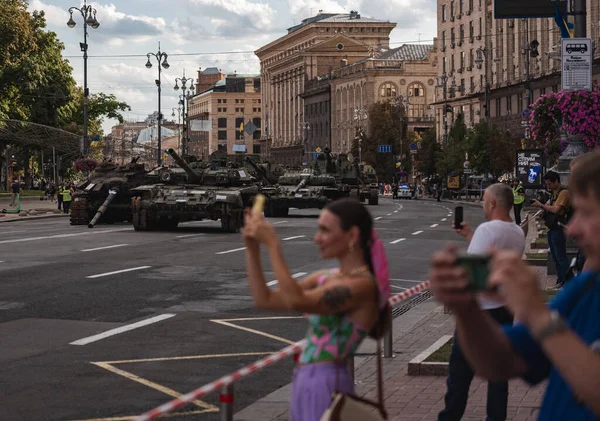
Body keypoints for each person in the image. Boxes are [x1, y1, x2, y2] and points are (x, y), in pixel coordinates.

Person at [430, 149, 600, 420]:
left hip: (495, 307)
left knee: (459, 379)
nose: (574, 228)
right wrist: (466, 311)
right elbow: (501, 363)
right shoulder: (586, 290)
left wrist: (537, 315)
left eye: (587, 213)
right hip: (499, 310)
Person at [243, 198, 390, 421]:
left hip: (328, 384)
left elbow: (296, 300)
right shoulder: (326, 277)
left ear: (352, 236)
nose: (317, 238)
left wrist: (273, 244)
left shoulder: (363, 286)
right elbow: (265, 300)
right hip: (304, 380)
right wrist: (252, 248)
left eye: (324, 230)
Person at [438, 183, 525, 421]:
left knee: (459, 374)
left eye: (485, 200)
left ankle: (449, 417)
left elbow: (473, 271)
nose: (483, 204)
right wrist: (469, 235)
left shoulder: (488, 230)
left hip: (480, 313)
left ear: (493, 203)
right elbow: (492, 256)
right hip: (505, 309)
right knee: (498, 374)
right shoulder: (517, 231)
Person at [532, 171, 571, 288]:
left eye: (549, 184)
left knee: (560, 256)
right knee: (554, 256)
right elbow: (549, 206)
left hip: (559, 228)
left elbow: (556, 210)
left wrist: (541, 205)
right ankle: (561, 280)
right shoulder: (554, 192)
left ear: (556, 181)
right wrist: (542, 211)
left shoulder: (564, 193)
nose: (548, 186)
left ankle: (567, 281)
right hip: (551, 228)